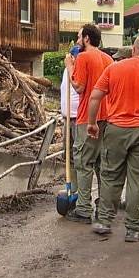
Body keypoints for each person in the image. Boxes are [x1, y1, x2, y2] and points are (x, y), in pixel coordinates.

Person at [87, 36, 139, 242]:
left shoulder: (114, 69)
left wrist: (92, 123)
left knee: (111, 177)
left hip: (116, 130)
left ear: (133, 49)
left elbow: (95, 96)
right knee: (138, 182)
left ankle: (104, 221)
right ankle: (134, 229)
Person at [64, 24, 113, 223]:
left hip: (88, 118)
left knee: (84, 162)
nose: (77, 41)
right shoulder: (109, 59)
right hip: (107, 117)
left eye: (78, 37)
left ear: (86, 38)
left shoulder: (83, 57)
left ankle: (83, 208)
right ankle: (103, 206)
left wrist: (69, 66)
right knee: (103, 164)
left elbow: (79, 87)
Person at [60, 45, 81, 193]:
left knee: (78, 155)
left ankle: (79, 191)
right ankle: (72, 188)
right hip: (67, 118)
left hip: (78, 118)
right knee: (68, 155)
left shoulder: (80, 71)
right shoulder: (67, 70)